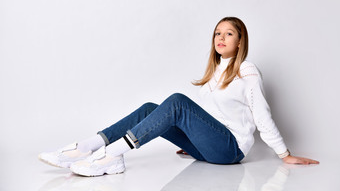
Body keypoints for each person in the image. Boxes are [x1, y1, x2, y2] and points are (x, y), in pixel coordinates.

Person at [38, 17, 319, 177]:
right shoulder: (214, 72)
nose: (221, 38)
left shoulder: (247, 70)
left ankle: (111, 155)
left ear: (240, 41)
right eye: (217, 33)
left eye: (229, 33)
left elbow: (261, 115)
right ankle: (87, 146)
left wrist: (285, 154)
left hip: (230, 150)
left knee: (177, 101)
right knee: (150, 107)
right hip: (209, 147)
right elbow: (208, 116)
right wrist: (194, 138)